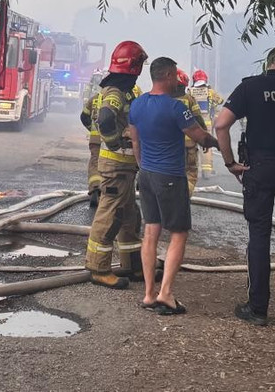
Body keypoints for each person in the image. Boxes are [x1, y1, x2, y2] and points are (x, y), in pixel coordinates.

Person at [214, 44, 275, 327]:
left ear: (267, 63)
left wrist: (230, 163)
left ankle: (257, 308)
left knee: (259, 236)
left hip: (259, 168)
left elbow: (221, 125)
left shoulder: (250, 87)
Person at [131, 57, 219, 315]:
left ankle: (149, 294)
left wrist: (143, 166)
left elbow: (135, 141)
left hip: (146, 174)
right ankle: (166, 293)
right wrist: (220, 143)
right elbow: (199, 136)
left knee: (151, 231)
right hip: (170, 175)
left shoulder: (137, 104)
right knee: (179, 233)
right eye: (175, 76)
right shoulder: (175, 107)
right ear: (168, 75)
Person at [82, 40, 148, 289]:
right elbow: (107, 116)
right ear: (134, 67)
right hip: (116, 167)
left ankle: (133, 265)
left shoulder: (116, 91)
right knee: (109, 216)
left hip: (124, 168)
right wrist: (113, 142)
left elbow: (87, 116)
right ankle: (98, 269)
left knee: (130, 216)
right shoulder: (115, 93)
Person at [172, 68, 209, 195]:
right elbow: (198, 119)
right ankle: (184, 197)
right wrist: (205, 138)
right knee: (191, 172)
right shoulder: (189, 99)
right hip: (189, 145)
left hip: (169, 146)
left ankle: (173, 197)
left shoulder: (162, 100)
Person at [79, 69, 108, 206]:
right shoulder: (119, 98)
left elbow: (84, 116)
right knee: (110, 165)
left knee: (95, 162)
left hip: (96, 139)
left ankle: (95, 187)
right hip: (112, 141)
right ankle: (108, 192)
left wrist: (91, 129)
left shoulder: (95, 98)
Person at [189, 70, 225, 176]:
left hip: (193, 124)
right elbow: (220, 101)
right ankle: (207, 171)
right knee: (207, 146)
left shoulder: (190, 91)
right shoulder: (210, 92)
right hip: (207, 123)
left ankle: (194, 170)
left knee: (192, 146)